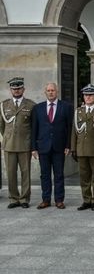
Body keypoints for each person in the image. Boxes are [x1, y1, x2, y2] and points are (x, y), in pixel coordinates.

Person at [31, 82, 73, 209]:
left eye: (53, 90)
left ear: (57, 91)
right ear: (45, 92)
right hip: (43, 146)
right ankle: (46, 199)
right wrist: (33, 148)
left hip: (59, 147)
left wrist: (68, 145)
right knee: (45, 175)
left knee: (59, 174)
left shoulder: (66, 107)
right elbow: (34, 129)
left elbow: (69, 128)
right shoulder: (38, 108)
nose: (50, 92)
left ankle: (59, 200)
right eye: (48, 90)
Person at [0, 77, 36, 208]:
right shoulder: (4, 105)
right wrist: (6, 139)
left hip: (25, 145)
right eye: (14, 89)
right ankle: (13, 198)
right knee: (10, 173)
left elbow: (33, 126)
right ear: (11, 90)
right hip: (9, 145)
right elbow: (2, 126)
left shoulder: (31, 105)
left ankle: (24, 199)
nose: (16, 90)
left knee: (25, 173)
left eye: (19, 88)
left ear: (23, 89)